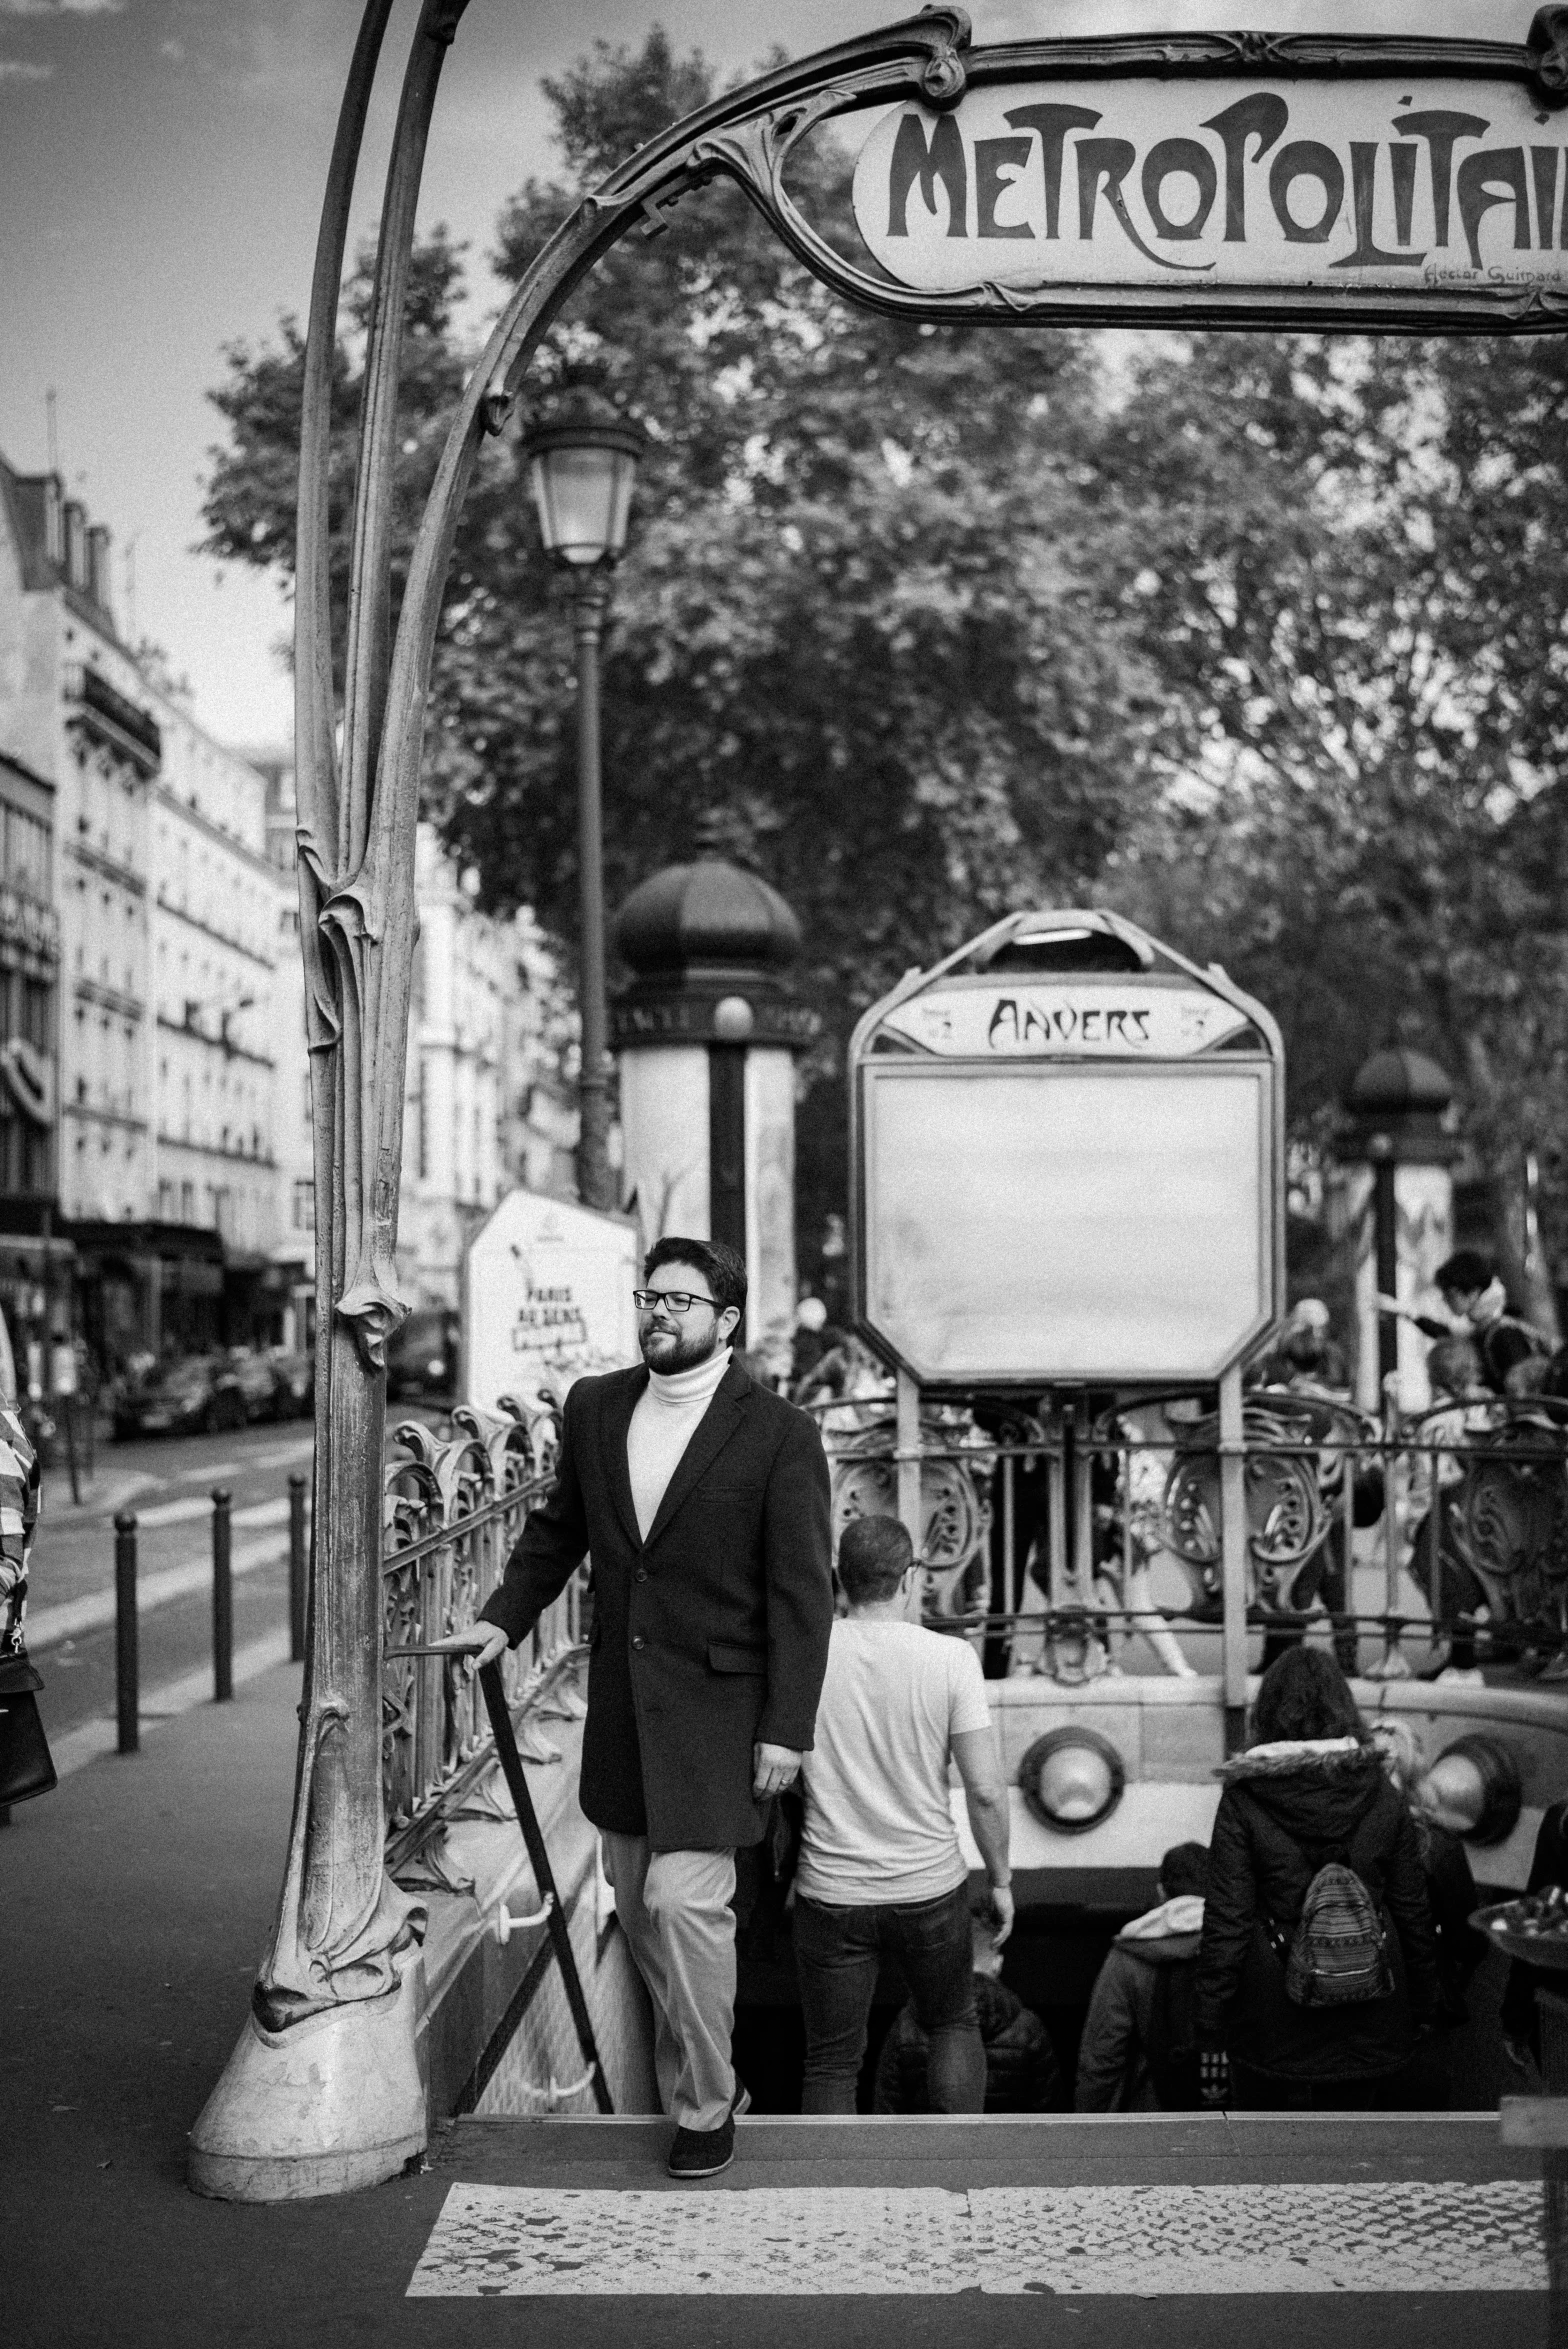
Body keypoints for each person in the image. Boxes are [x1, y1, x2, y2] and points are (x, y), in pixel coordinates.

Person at [434, 1236, 833, 2180]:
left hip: (723, 1713)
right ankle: (712, 2080)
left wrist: (788, 1726)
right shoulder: (597, 1405)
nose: (658, 1312)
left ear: (726, 1321)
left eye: (681, 1301)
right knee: (643, 1913)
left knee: (682, 1903)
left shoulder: (779, 1432)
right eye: (649, 1295)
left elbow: (802, 1597)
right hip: (624, 1709)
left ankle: (704, 2104)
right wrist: (502, 1620)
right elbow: (558, 1529)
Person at [792, 1513, 1013, 2114]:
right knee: (952, 2025)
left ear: (840, 1578)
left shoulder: (805, 1653)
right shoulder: (951, 1659)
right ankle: (957, 2176)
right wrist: (1000, 1880)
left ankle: (827, 2202)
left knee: (832, 2060)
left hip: (830, 1888)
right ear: (911, 1578)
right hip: (930, 1888)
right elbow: (986, 1790)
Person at [1195, 1648, 1439, 2110]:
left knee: (1266, 2162)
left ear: (1267, 1713)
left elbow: (1227, 1917)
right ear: (1344, 1707)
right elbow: (1412, 1908)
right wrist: (1426, 2000)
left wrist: (1211, 2021)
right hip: (1370, 2004)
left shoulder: (1245, 1799)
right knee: (1353, 2157)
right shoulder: (1381, 1793)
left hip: (1272, 2010)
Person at [874, 1911, 1062, 2114]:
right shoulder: (1028, 2028)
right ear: (997, 1964)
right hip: (1007, 2145)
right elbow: (1049, 2112)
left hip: (930, 2145)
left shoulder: (908, 2023)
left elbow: (887, 2113)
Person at [1074, 1842, 1211, 2112]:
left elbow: (1103, 2056)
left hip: (1151, 2117)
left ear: (1161, 1892)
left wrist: (1089, 2131)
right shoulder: (1240, 1945)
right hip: (1232, 2116)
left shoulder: (1128, 1954)